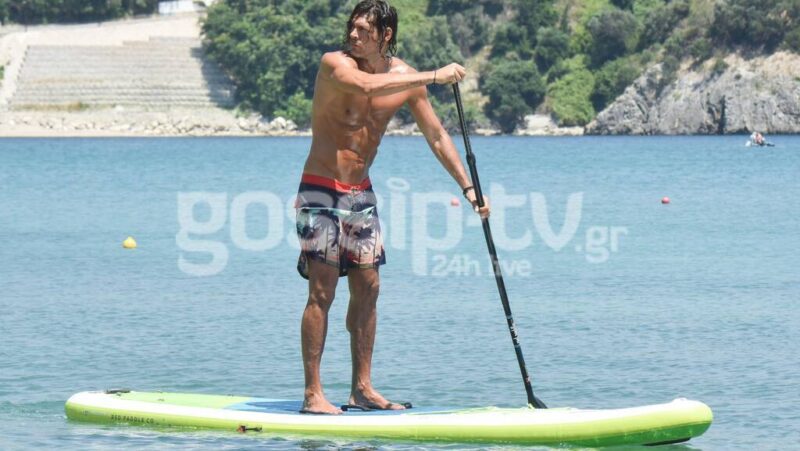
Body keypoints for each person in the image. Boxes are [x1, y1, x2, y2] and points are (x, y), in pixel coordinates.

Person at [295, 0, 490, 414]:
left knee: (369, 288)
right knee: (322, 291)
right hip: (320, 190)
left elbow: (437, 136)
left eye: (364, 30)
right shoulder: (334, 64)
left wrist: (469, 188)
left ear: (385, 35)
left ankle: (362, 389)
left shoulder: (405, 79)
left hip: (360, 195)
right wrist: (435, 75)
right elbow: (366, 87)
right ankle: (313, 394)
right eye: (352, 27)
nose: (353, 35)